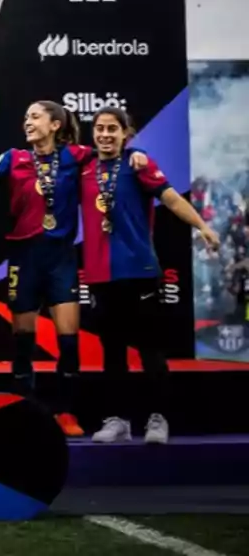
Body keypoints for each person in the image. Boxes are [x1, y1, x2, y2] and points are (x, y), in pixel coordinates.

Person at [0, 101, 149, 436]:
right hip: (24, 257)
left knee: (69, 340)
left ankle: (65, 413)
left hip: (61, 258)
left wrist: (139, 153)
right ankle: (25, 411)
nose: (26, 122)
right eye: (26, 116)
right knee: (23, 341)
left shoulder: (76, 156)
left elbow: (111, 149)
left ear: (55, 124)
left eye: (34, 117)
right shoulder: (13, 157)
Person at [84, 107, 219, 445]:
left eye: (112, 129)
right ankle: (118, 420)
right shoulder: (83, 168)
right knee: (112, 351)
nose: (105, 135)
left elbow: (172, 199)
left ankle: (158, 419)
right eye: (100, 128)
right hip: (101, 275)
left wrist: (202, 226)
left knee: (150, 349)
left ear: (125, 133)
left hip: (139, 271)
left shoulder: (138, 164)